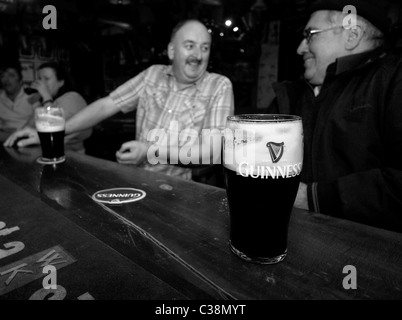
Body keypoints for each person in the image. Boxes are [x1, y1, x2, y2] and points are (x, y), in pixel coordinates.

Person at [5, 19, 234, 180]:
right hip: (136, 179)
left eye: (205, 48)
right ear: (172, 51)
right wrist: (52, 133)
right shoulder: (152, 75)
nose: (198, 55)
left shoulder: (218, 85)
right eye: (190, 46)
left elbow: (212, 152)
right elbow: (107, 104)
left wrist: (149, 151)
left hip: (183, 191)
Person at [267, 0, 402, 232]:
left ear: (352, 35)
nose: (300, 48)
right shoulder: (289, 96)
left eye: (310, 35)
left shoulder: (392, 82)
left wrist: (312, 198)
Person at [4, 61, 92, 153]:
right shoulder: (44, 101)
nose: (42, 83)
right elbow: (28, 127)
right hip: (45, 152)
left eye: (46, 79)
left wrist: (46, 96)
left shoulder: (72, 97)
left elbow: (52, 126)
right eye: (39, 79)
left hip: (72, 156)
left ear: (61, 82)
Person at [0, 61, 37, 133]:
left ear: (20, 80)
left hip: (26, 134)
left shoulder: (32, 95)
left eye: (11, 75)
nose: (6, 79)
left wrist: (20, 132)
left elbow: (38, 117)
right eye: (2, 76)